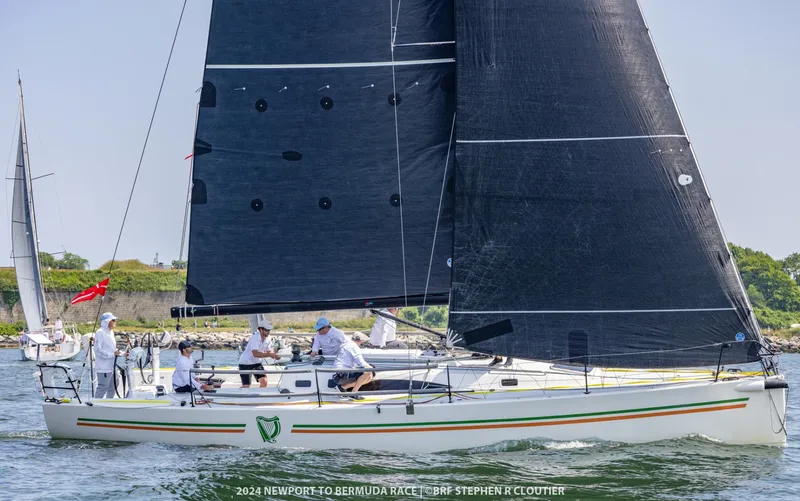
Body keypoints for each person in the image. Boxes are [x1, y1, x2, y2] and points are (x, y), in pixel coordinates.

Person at [237, 319, 280, 388]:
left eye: (269, 330)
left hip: (257, 363)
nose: (268, 332)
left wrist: (274, 355)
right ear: (260, 329)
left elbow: (269, 351)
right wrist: (269, 354)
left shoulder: (268, 338)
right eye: (266, 330)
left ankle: (259, 394)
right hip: (245, 363)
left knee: (264, 381)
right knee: (246, 386)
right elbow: (255, 354)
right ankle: (238, 394)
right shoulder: (254, 338)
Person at [94, 312, 125, 398]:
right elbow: (97, 350)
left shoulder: (111, 332)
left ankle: (109, 401)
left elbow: (113, 349)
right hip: (104, 367)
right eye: (113, 320)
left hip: (111, 366)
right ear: (107, 321)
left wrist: (123, 354)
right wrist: (112, 355)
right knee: (102, 387)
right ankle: (95, 404)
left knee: (114, 384)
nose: (115, 322)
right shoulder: (100, 332)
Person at [333, 334, 373, 399]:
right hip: (342, 374)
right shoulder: (353, 346)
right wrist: (370, 369)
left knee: (368, 377)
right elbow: (360, 362)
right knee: (368, 371)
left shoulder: (347, 345)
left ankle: (343, 387)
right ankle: (354, 393)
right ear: (361, 341)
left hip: (338, 374)